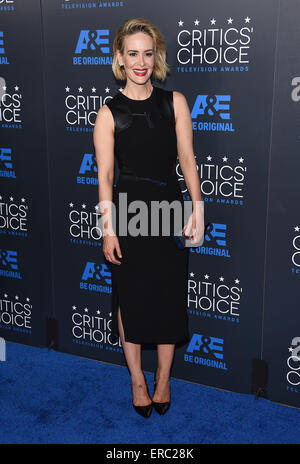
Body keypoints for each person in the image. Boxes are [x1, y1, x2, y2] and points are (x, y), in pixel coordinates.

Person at [93, 18, 204, 418]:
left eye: (148, 53)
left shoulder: (174, 102)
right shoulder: (108, 114)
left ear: (155, 57)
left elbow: (188, 161)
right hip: (129, 214)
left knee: (169, 297)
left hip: (169, 211)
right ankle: (138, 379)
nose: (141, 62)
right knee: (131, 300)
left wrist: (198, 210)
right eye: (132, 54)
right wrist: (108, 228)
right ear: (120, 59)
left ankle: (163, 378)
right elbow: (105, 176)